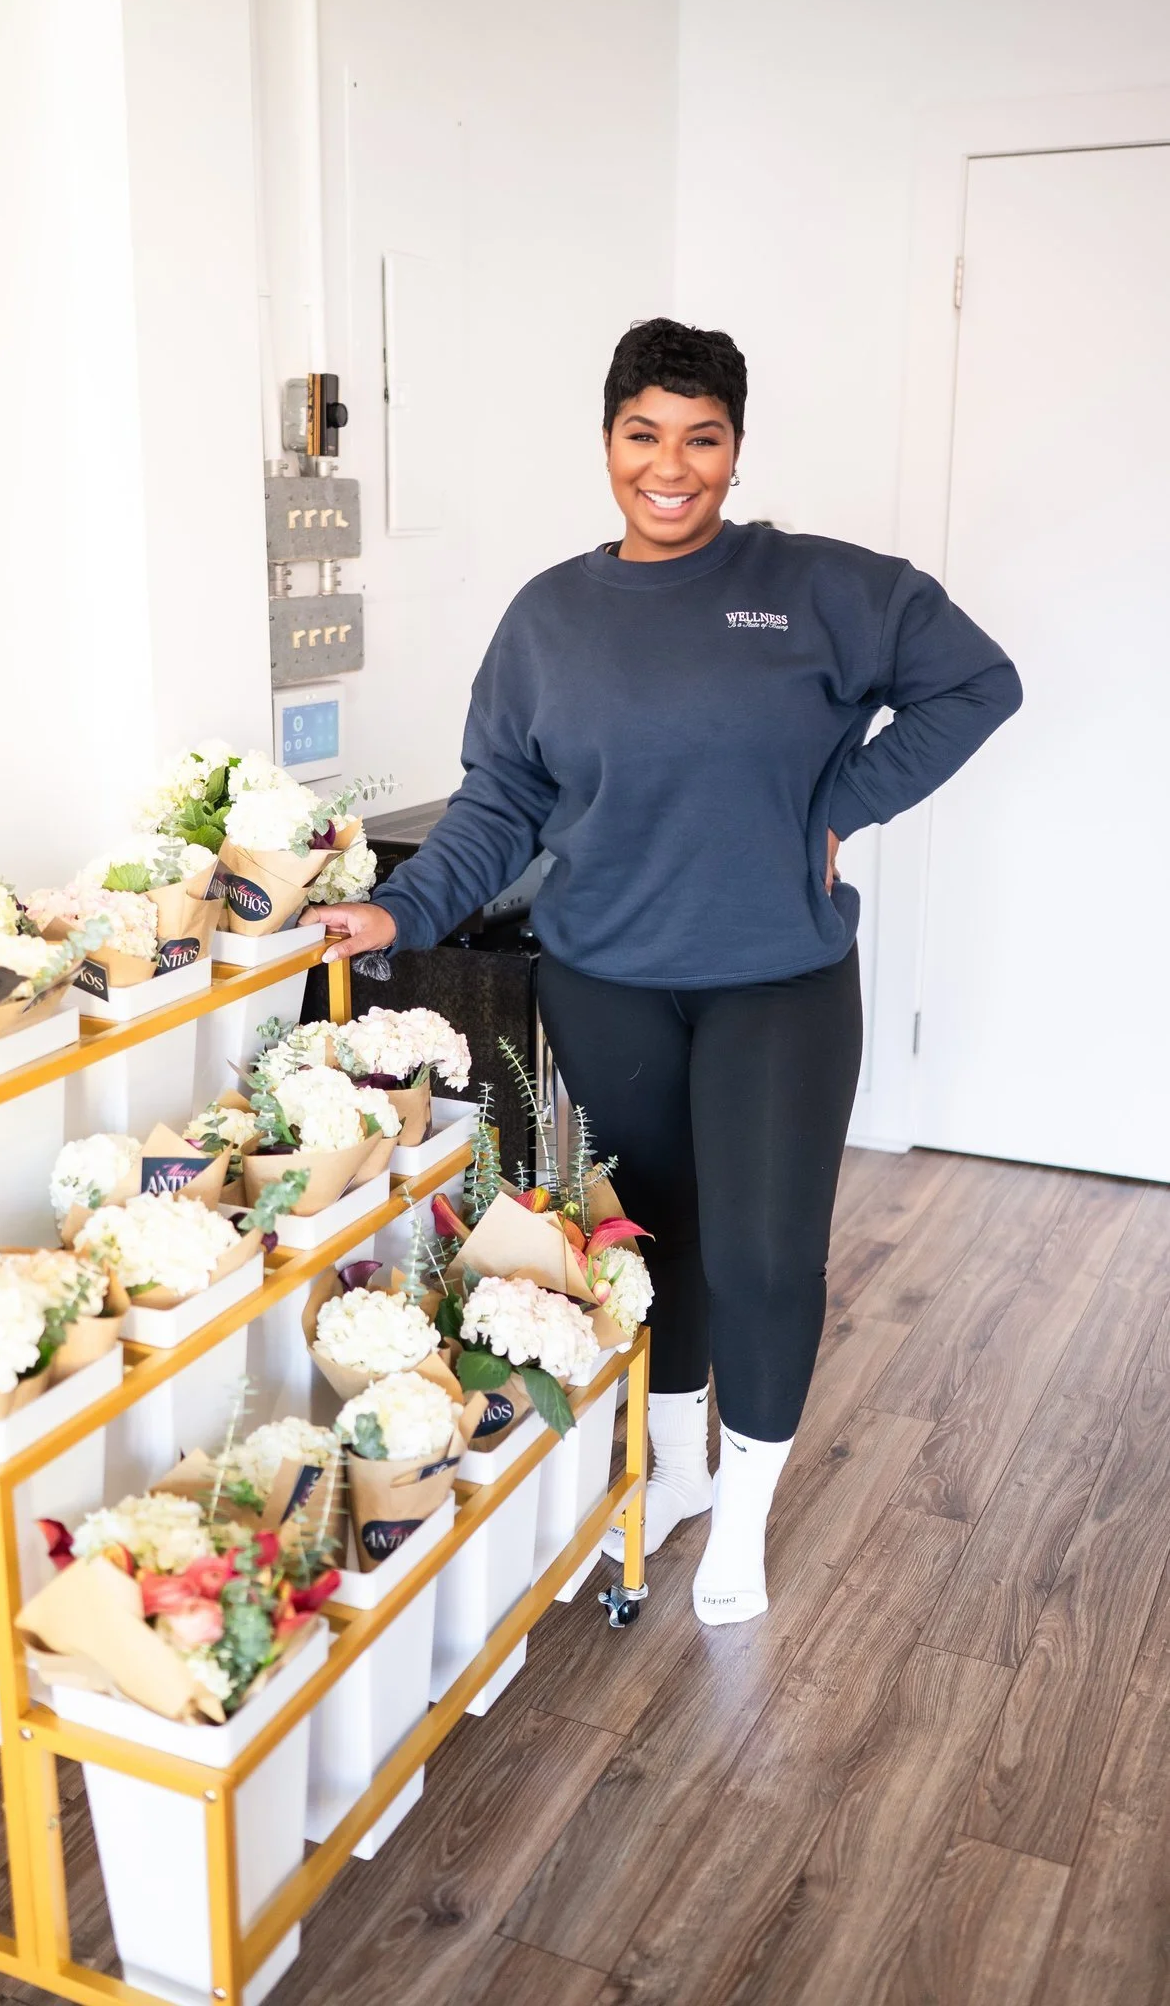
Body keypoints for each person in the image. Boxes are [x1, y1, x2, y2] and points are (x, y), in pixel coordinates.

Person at [304, 318, 1021, 1628]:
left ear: (737, 452)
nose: (671, 466)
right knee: (659, 1233)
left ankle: (743, 1516)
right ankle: (681, 1471)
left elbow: (977, 684)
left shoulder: (826, 589)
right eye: (645, 435)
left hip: (776, 983)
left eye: (702, 438)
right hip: (608, 977)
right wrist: (397, 911)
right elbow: (502, 799)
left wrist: (839, 805)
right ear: (608, 441)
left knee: (762, 1255)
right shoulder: (550, 618)